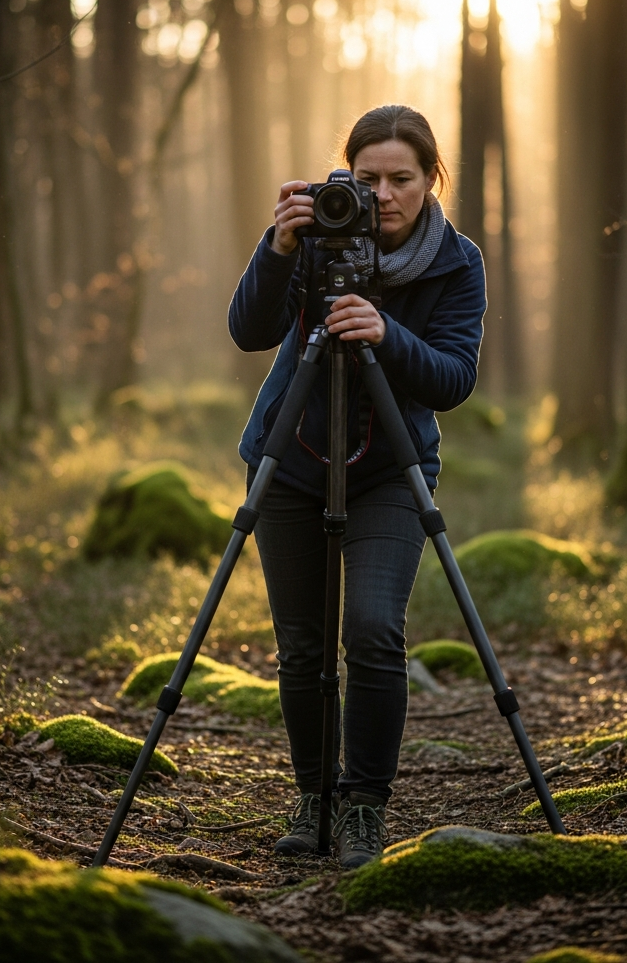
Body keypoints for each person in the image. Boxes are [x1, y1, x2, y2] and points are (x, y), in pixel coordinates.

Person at [228, 104, 486, 869]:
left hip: (390, 469)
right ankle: (315, 797)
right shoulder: (313, 234)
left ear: (431, 178)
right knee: (302, 648)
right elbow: (248, 330)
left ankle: (364, 807)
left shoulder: (456, 261)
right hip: (289, 462)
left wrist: (385, 331)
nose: (384, 194)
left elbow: (455, 379)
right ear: (345, 174)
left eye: (401, 178)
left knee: (374, 631)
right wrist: (278, 247)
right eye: (367, 177)